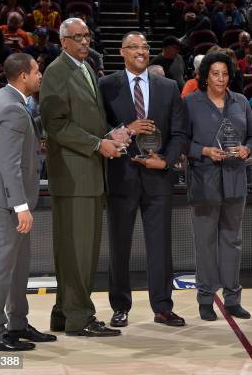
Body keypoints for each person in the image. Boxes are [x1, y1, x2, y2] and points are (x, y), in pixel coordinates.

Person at [40, 18, 124, 337]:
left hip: (87, 174)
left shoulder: (85, 68)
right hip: (74, 175)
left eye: (86, 36)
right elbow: (56, 124)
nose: (84, 42)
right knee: (78, 250)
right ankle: (80, 317)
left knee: (75, 248)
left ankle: (63, 312)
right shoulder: (57, 71)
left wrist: (109, 134)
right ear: (63, 41)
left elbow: (87, 118)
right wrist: (96, 144)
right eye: (76, 37)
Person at [99, 31, 188, 328]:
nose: (141, 51)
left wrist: (166, 160)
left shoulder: (168, 86)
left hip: (157, 177)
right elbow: (99, 129)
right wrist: (128, 128)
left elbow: (179, 132)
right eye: (134, 47)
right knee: (119, 245)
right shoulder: (106, 86)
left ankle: (163, 307)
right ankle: (120, 306)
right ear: (122, 52)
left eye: (145, 47)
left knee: (161, 246)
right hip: (120, 175)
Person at [0, 53, 56, 351]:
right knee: (2, 265)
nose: (40, 76)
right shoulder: (12, 107)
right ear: (23, 76)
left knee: (19, 264)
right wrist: (20, 205)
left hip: (2, 193)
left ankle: (17, 324)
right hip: (7, 199)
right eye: (36, 71)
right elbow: (9, 163)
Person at [185, 52, 252, 320]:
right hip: (204, 181)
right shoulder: (190, 103)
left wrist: (246, 149)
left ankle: (233, 299)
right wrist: (204, 150)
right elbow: (181, 142)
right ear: (205, 77)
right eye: (215, 74)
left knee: (232, 241)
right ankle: (205, 298)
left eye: (225, 74)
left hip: (235, 179)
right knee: (205, 243)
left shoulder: (241, 102)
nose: (220, 78)